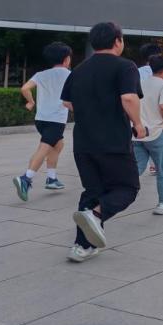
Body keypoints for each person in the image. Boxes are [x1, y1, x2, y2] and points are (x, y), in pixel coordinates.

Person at [60, 22, 146, 263]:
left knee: (92, 191)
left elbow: (67, 103)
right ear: (117, 41)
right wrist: (138, 124)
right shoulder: (125, 66)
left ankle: (81, 246)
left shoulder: (79, 69)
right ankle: (96, 216)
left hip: (84, 141)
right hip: (113, 140)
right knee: (128, 189)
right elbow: (128, 98)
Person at [14, 42, 72, 200]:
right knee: (44, 148)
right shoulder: (70, 75)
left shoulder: (41, 74)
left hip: (41, 119)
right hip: (56, 120)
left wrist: (31, 102)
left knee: (58, 145)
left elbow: (25, 88)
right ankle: (26, 178)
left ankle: (52, 179)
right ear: (66, 59)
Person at [134, 55, 163, 214]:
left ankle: (115, 191)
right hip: (158, 132)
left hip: (138, 133)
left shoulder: (139, 83)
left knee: (136, 167)